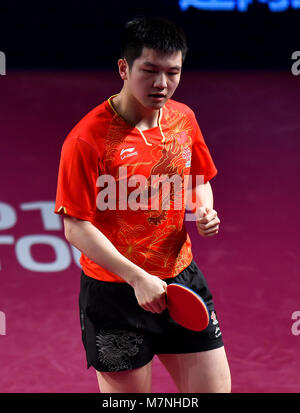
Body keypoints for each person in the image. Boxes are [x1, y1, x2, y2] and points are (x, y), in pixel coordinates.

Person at [54, 16, 231, 393]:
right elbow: (75, 226)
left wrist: (203, 208)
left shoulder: (184, 120)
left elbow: (198, 178)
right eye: (149, 71)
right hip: (116, 292)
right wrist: (137, 278)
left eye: (173, 72)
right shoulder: (86, 140)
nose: (162, 84)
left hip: (181, 279)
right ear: (124, 67)